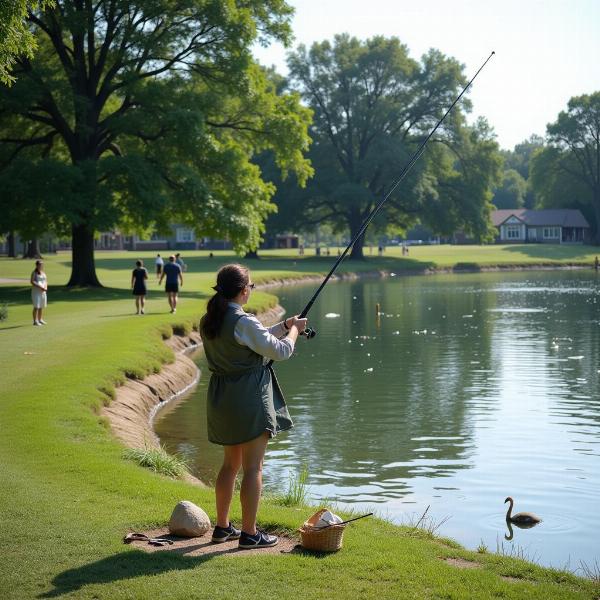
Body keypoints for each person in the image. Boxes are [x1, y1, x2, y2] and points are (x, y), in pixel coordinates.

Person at [199, 264, 307, 549]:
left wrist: (283, 326)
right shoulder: (244, 321)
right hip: (248, 398)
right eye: (252, 286)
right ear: (244, 289)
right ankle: (249, 534)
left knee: (229, 465)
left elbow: (253, 339)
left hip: (222, 399)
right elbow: (281, 351)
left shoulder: (210, 319)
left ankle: (222, 528)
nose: (252, 290)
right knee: (253, 468)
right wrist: (294, 331)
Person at [30, 259, 47, 326]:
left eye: (42, 264)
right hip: (36, 292)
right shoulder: (34, 273)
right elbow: (32, 281)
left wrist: (45, 287)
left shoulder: (43, 273)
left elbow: (45, 281)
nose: (41, 266)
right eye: (39, 264)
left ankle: (40, 319)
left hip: (43, 292)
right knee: (36, 306)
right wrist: (40, 287)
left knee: (41, 306)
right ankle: (35, 321)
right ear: (37, 265)